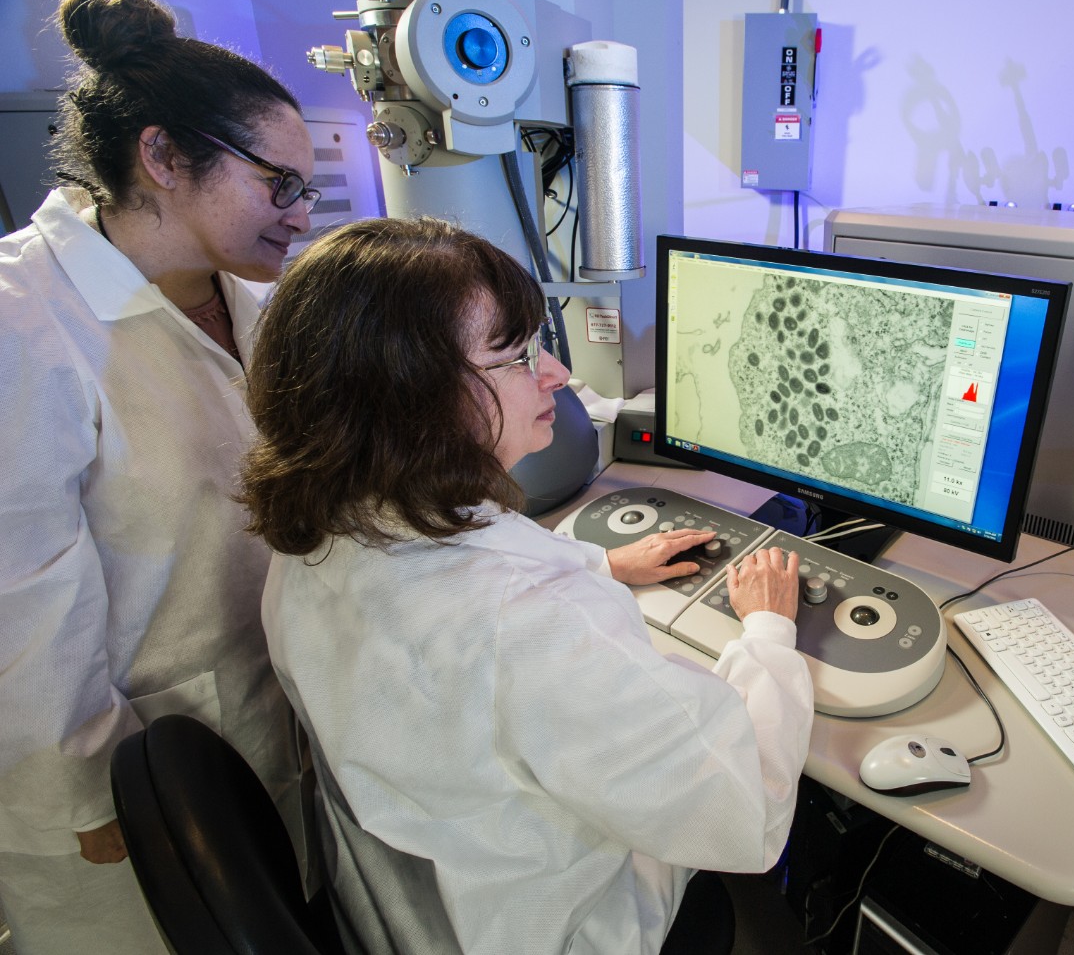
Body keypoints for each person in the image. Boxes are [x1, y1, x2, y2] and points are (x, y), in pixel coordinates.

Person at [240, 216, 815, 954]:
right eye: (513, 356)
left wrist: (600, 566)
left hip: (407, 913)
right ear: (409, 397)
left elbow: (462, 629)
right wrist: (768, 634)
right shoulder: (527, 622)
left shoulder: (319, 531)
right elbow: (745, 815)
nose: (556, 376)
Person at [0, 0, 318, 953]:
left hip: (276, 733)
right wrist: (85, 803)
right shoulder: (24, 322)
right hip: (121, 805)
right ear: (164, 157)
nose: (302, 215)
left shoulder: (254, 299)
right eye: (282, 184)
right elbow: (21, 609)